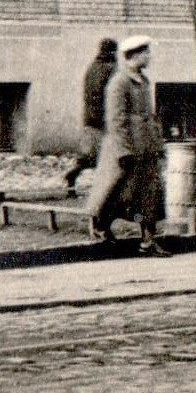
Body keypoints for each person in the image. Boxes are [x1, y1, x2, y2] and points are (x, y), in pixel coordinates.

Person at [87, 34, 166, 253]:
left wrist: (158, 145)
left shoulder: (143, 81)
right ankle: (101, 225)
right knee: (120, 195)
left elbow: (149, 116)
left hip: (146, 149)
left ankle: (148, 240)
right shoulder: (119, 82)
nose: (149, 56)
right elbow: (115, 120)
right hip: (128, 151)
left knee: (150, 197)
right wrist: (124, 150)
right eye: (146, 52)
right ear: (135, 55)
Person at [63, 38, 118, 195]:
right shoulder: (110, 69)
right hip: (104, 120)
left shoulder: (92, 68)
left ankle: (74, 174)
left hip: (90, 118)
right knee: (109, 156)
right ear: (112, 52)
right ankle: (107, 191)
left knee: (91, 155)